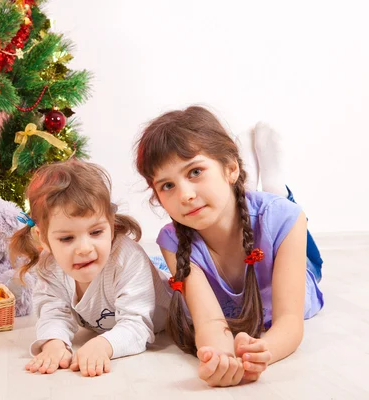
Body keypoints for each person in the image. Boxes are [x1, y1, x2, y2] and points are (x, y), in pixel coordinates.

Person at [134, 106, 324, 386]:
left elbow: (289, 322)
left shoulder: (285, 219)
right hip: (245, 226)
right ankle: (251, 189)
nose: (185, 195)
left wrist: (263, 353)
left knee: (285, 215)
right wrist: (223, 360)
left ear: (231, 168)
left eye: (195, 171)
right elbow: (209, 323)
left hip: (286, 259)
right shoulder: (173, 241)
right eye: (167, 186)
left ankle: (274, 185)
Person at [10, 159, 171, 377]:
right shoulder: (49, 267)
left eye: (96, 232)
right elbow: (53, 312)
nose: (85, 249)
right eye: (67, 238)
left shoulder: (127, 258)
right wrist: (54, 344)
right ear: (44, 239)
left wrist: (102, 345)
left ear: (111, 225)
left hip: (171, 316)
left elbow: (138, 325)